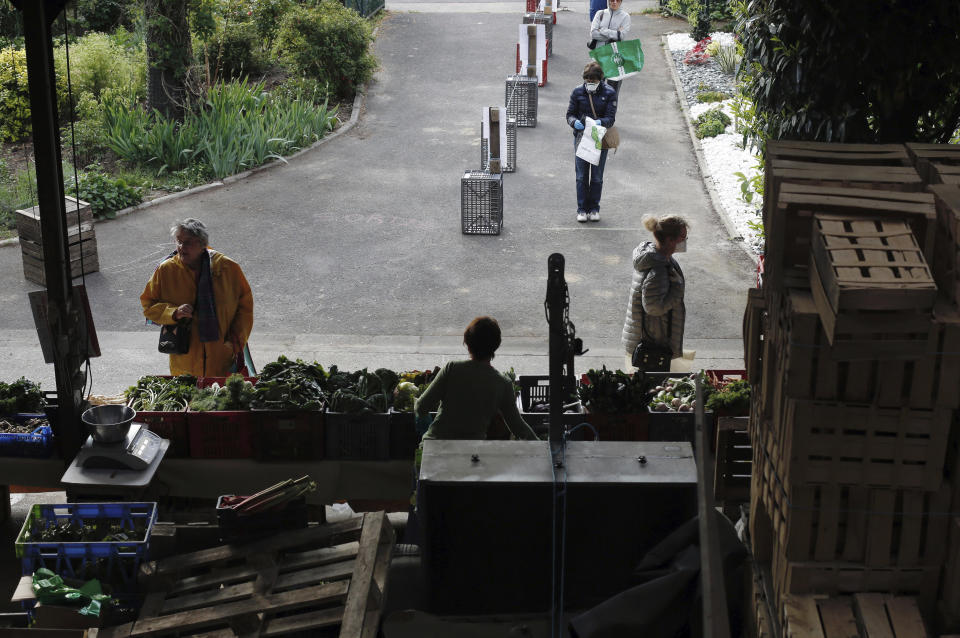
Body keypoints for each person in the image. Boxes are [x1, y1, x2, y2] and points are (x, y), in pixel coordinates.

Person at [140, 219, 254, 377]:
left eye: (188, 243)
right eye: (179, 242)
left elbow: (245, 308)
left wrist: (234, 342)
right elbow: (148, 306)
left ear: (202, 244)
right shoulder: (166, 270)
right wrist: (173, 313)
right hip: (185, 360)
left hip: (221, 357)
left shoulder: (227, 268)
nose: (181, 247)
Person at [414, 316, 538, 441]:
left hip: (435, 446)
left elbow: (421, 407)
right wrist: (542, 447)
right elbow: (518, 427)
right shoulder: (503, 384)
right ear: (496, 346)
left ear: (468, 343)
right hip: (471, 451)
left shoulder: (452, 368)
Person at [621, 214, 689, 371]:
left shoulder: (652, 257)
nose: (685, 242)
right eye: (683, 238)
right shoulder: (659, 270)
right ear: (670, 240)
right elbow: (654, 308)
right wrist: (677, 290)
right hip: (654, 343)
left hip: (644, 336)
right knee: (653, 384)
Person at [567, 61, 618, 223]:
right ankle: (582, 209)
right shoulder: (577, 92)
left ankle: (594, 208)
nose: (590, 84)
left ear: (600, 79)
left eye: (593, 81)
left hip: (599, 138)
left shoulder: (609, 93)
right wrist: (574, 122)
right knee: (581, 175)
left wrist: (599, 123)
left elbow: (610, 118)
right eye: (587, 81)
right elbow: (570, 114)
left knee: (596, 176)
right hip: (582, 137)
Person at [589, 0, 631, 94]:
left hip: (615, 59)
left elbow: (622, 35)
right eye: (612, 0)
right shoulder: (600, 14)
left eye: (618, 0)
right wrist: (615, 33)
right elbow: (593, 33)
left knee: (612, 93)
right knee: (594, 91)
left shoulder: (625, 17)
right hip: (599, 57)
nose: (614, 2)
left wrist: (603, 30)